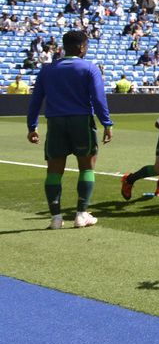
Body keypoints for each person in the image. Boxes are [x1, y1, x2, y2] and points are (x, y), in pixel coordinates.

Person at [26, 31, 114, 228]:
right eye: (87, 45)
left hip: (55, 123)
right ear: (81, 47)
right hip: (81, 121)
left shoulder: (47, 70)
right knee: (86, 166)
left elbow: (35, 100)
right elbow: (98, 99)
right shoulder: (89, 68)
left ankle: (56, 218)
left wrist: (32, 126)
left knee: (54, 170)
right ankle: (81, 214)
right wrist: (107, 123)